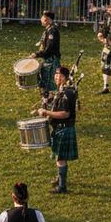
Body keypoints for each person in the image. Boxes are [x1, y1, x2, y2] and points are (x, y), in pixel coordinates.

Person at [36, 66, 77, 194]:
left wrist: (46, 112)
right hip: (60, 128)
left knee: (60, 159)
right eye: (56, 74)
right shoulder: (61, 91)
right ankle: (60, 179)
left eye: (60, 75)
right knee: (60, 158)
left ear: (65, 78)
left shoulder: (66, 93)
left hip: (64, 128)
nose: (57, 77)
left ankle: (62, 187)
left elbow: (65, 114)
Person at [33, 10, 61, 95]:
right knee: (45, 81)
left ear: (48, 19)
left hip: (51, 60)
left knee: (51, 84)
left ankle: (52, 100)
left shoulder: (52, 31)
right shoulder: (49, 29)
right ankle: (46, 98)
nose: (41, 19)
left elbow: (49, 48)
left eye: (43, 18)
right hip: (48, 59)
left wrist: (37, 54)